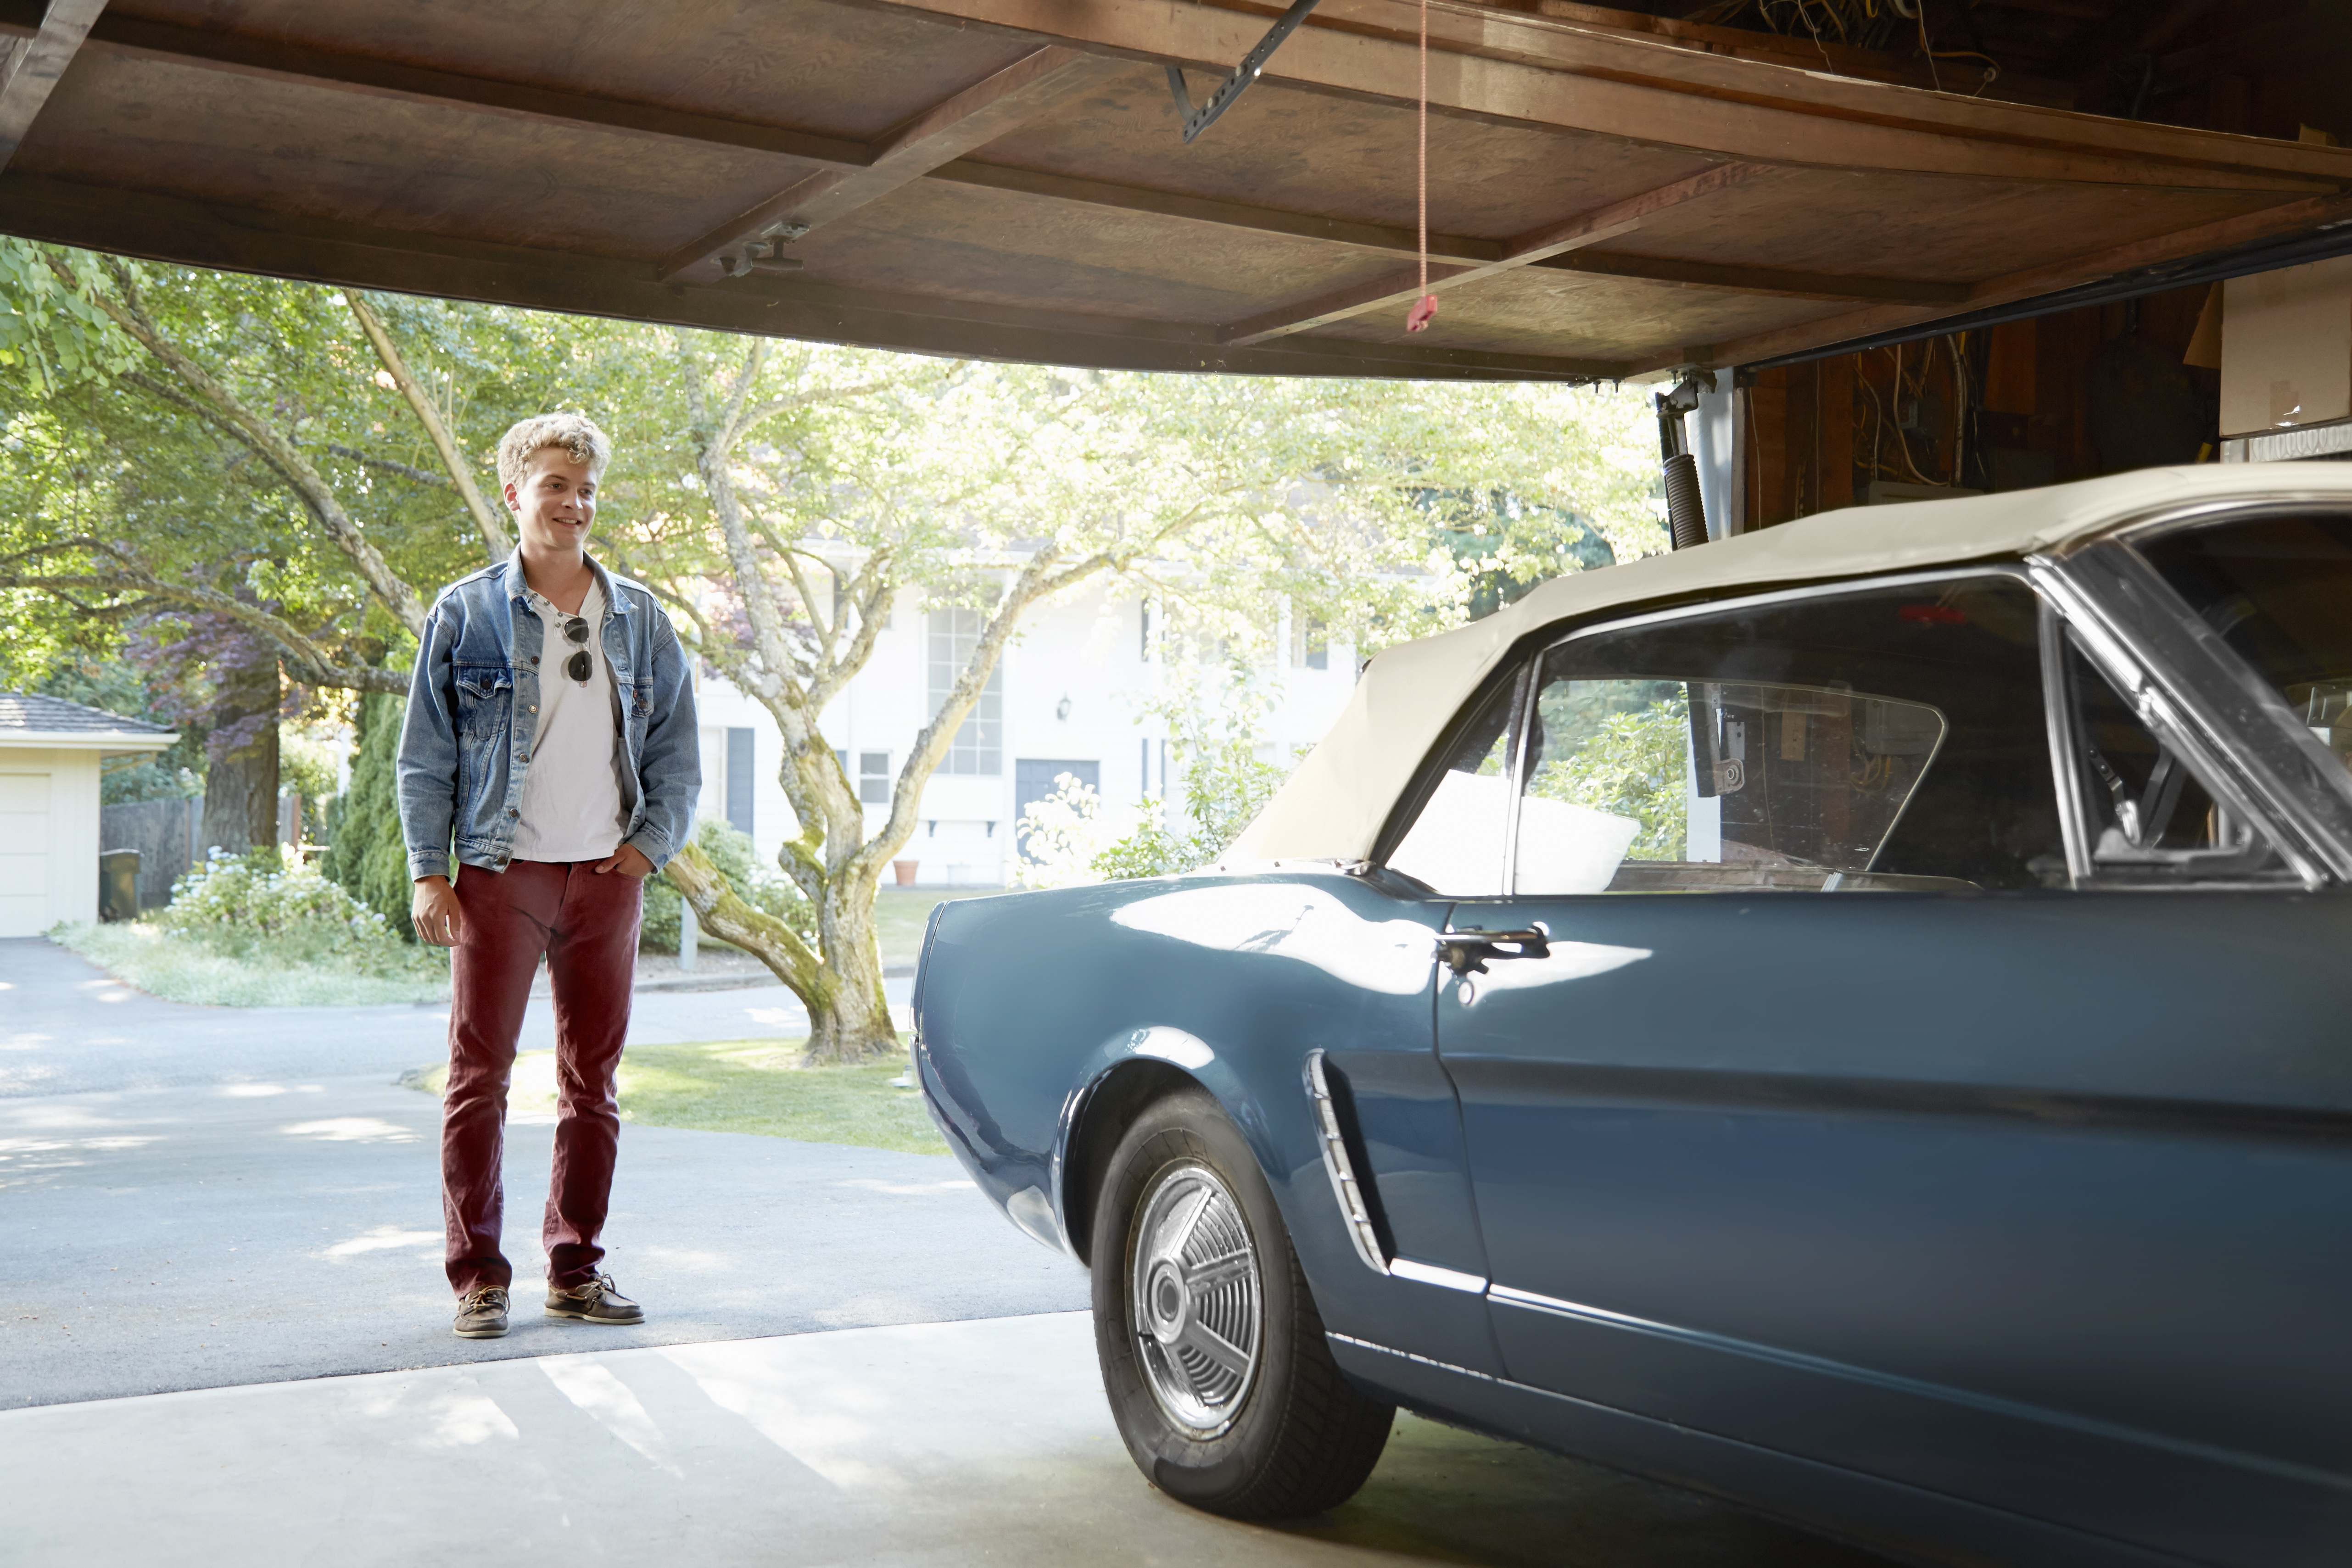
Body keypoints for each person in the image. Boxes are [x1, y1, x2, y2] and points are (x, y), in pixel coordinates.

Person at [397, 411, 699, 1340]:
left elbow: (677, 750)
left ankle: (575, 1267)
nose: (574, 501)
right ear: (515, 493)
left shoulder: (640, 615)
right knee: (477, 1076)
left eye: (586, 487)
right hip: (499, 873)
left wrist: (649, 844)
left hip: (607, 876)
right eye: (555, 484)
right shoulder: (465, 611)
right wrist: (428, 871)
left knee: (592, 1084)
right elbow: (424, 756)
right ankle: (478, 1276)